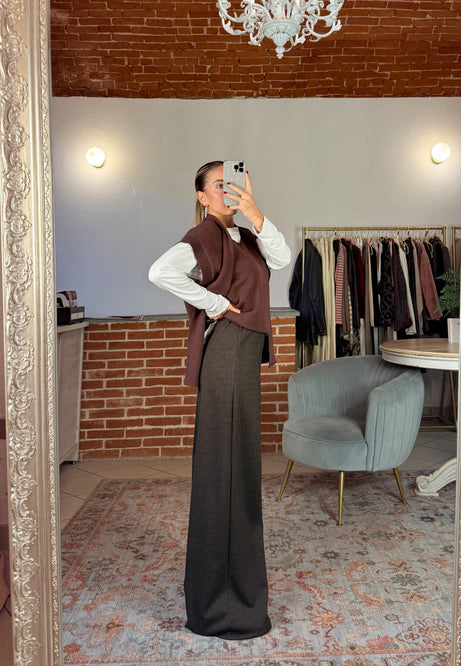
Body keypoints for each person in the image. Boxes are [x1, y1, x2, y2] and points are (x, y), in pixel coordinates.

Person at [148, 161, 291, 639]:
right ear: (202, 197)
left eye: (233, 184)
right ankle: (223, 607)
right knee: (225, 472)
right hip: (227, 352)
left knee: (237, 469)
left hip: (241, 357)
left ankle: (228, 595)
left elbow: (282, 258)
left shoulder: (246, 236)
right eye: (218, 186)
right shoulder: (202, 237)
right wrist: (214, 304)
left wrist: (254, 211)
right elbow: (160, 272)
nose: (227, 192)